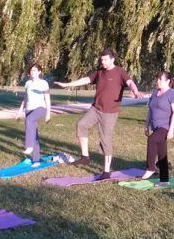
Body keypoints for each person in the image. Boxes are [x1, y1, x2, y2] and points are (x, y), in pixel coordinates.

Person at [55, 48, 142, 179]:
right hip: (95, 108)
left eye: (106, 60)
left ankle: (106, 172)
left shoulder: (120, 72)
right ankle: (85, 157)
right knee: (81, 125)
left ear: (112, 59)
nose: (103, 62)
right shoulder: (99, 72)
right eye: (102, 60)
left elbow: (130, 82)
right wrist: (67, 85)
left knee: (105, 140)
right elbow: (85, 80)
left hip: (110, 112)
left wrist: (135, 91)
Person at [141, 71, 174, 185]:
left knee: (152, 140)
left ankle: (151, 168)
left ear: (168, 81)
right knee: (162, 152)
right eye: (157, 79)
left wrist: (171, 130)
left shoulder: (172, 94)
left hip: (166, 126)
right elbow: (151, 110)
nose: (157, 81)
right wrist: (146, 124)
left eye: (160, 79)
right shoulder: (155, 93)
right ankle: (164, 180)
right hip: (155, 126)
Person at [16, 63, 51, 165]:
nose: (32, 72)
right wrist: (20, 111)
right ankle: (36, 160)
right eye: (31, 70)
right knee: (33, 133)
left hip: (40, 108)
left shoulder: (44, 83)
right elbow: (25, 98)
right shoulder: (28, 83)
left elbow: (47, 99)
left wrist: (48, 113)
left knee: (29, 121)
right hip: (29, 110)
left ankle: (29, 145)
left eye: (35, 70)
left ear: (39, 72)